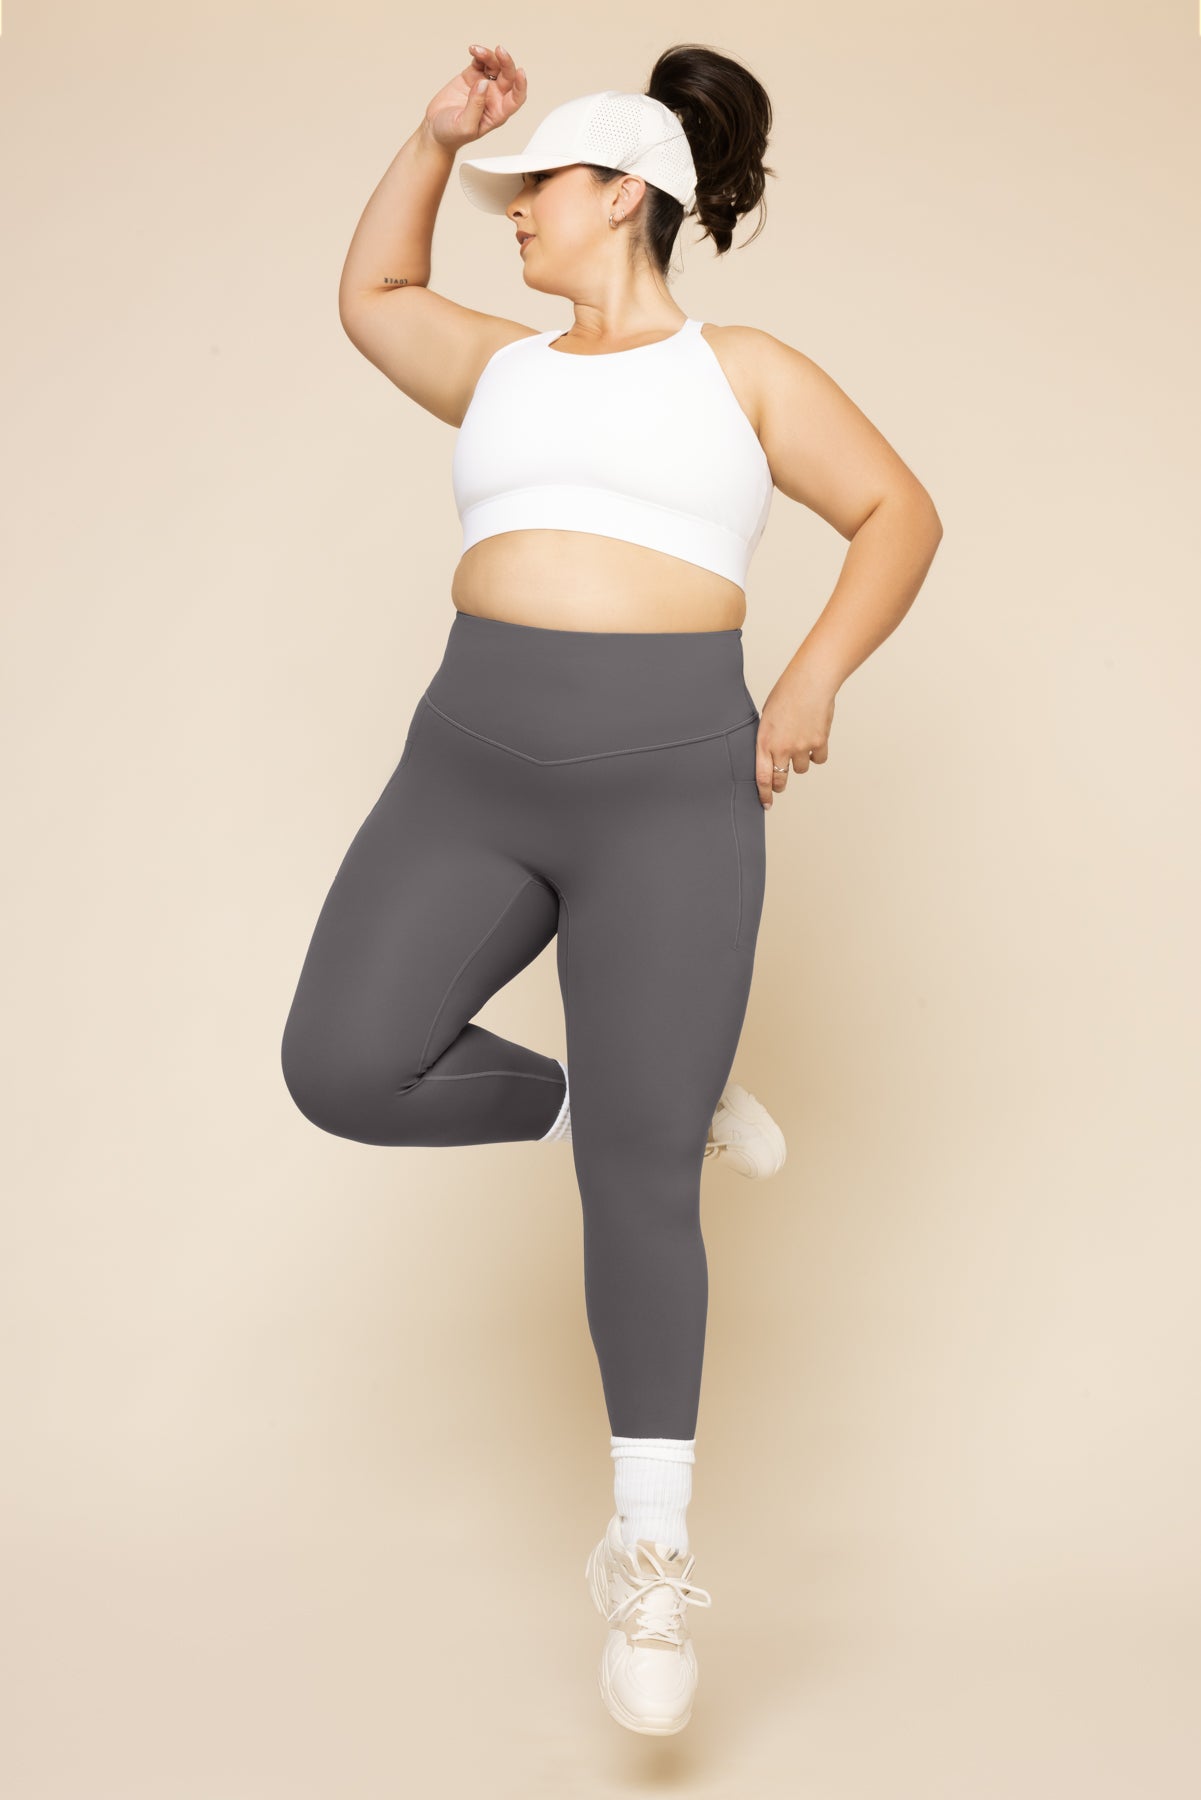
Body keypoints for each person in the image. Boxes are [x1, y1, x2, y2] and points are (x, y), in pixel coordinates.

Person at [280, 41, 943, 1736]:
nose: (509, 215)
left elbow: (895, 512)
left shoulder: (741, 370)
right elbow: (369, 296)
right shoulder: (499, 372)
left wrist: (809, 681)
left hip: (673, 795)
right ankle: (640, 1095)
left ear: (625, 196)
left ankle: (649, 1565)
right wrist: (431, 133)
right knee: (343, 1065)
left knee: (639, 1195)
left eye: (535, 189)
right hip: (470, 771)